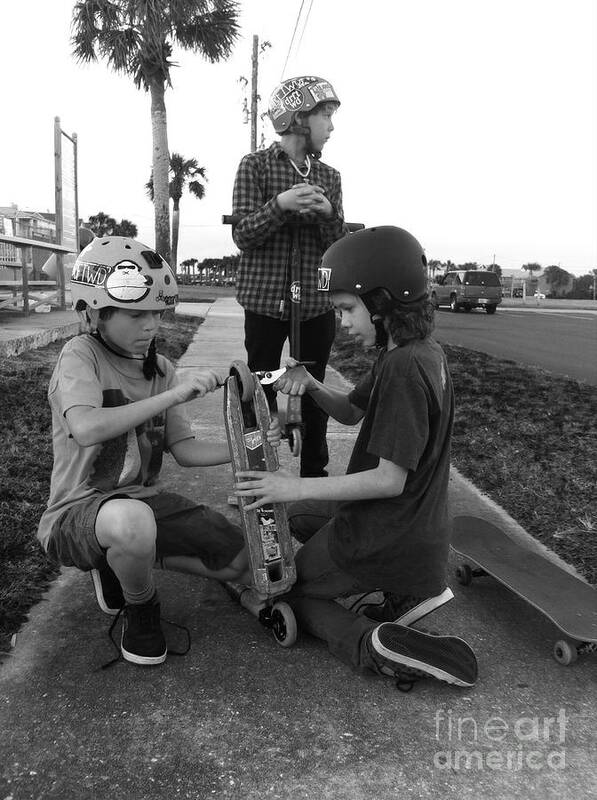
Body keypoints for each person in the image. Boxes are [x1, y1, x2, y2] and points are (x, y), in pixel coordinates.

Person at [234, 226, 478, 689]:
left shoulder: (405, 368)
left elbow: (388, 480)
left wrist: (293, 484)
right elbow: (349, 412)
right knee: (293, 514)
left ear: (384, 302)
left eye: (348, 308)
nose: (342, 322)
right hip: (412, 525)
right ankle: (406, 593)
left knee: (285, 588)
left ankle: (374, 644)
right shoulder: (412, 351)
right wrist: (311, 384)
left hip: (381, 531)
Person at [37, 236, 280, 667]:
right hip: (77, 512)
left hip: (144, 507)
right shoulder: (81, 356)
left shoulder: (162, 369)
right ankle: (141, 605)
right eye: (136, 314)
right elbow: (88, 427)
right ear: (95, 313)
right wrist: (175, 396)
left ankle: (123, 562)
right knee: (131, 524)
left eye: (156, 313)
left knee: (245, 564)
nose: (151, 326)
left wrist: (248, 445)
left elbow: (184, 451)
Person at [231, 75, 348, 478]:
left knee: (314, 391)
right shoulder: (255, 167)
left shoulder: (329, 177)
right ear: (298, 118)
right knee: (258, 392)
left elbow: (338, 245)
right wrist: (280, 204)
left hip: (316, 304)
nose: (331, 127)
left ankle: (315, 476)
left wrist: (328, 214)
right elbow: (243, 234)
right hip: (264, 303)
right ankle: (256, 474)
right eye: (325, 116)